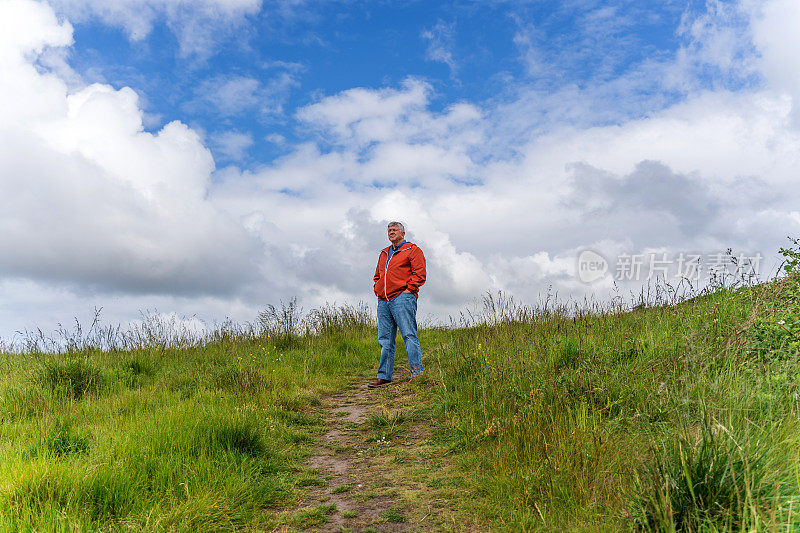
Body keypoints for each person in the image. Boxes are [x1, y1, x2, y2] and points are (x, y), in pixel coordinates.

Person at [368, 221, 427, 388]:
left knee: (409, 335)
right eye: (389, 230)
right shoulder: (384, 253)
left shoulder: (412, 250)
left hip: (402, 298)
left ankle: (417, 374)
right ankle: (384, 376)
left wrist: (409, 290)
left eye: (394, 230)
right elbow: (377, 275)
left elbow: (420, 273)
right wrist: (377, 289)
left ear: (402, 233)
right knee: (385, 340)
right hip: (383, 301)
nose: (391, 232)